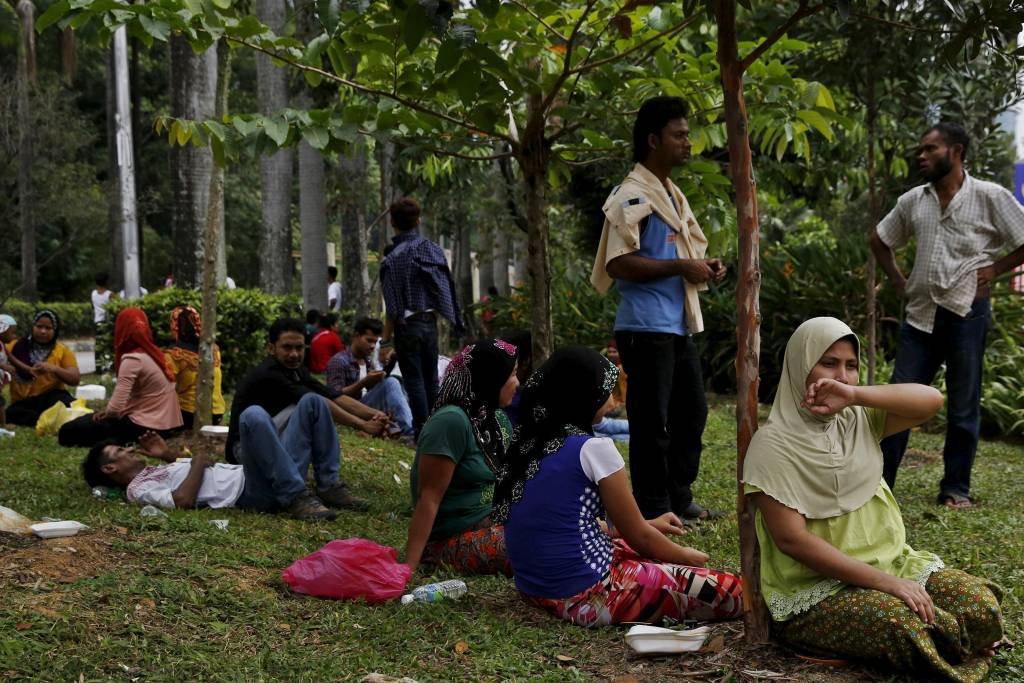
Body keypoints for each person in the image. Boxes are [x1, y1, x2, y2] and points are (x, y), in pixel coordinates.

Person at [743, 317, 1004, 681]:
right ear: (802, 364)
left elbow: (931, 401)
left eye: (851, 366)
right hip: (819, 594)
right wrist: (888, 585)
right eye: (829, 363)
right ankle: (963, 647)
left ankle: (962, 640)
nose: (841, 375)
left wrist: (854, 395)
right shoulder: (773, 445)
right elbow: (792, 541)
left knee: (979, 605)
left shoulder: (859, 419)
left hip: (894, 566)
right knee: (906, 625)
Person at [494, 347, 743, 627]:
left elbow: (560, 521)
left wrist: (647, 524)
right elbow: (641, 539)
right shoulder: (594, 449)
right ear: (581, 395)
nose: (612, 403)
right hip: (589, 595)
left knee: (630, 549)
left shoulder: (526, 442)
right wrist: (690, 558)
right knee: (734, 590)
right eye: (604, 393)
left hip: (535, 590)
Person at [870, 122, 1024, 509]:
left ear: (955, 152)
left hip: (967, 313)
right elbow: (880, 239)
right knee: (898, 402)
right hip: (919, 316)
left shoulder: (990, 196)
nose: (921, 156)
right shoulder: (913, 201)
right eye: (920, 149)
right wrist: (899, 281)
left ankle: (955, 489)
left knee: (963, 404)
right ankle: (878, 483)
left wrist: (994, 270)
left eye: (930, 149)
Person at [590, 96, 727, 522]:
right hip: (645, 327)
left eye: (688, 134)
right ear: (653, 140)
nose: (688, 142)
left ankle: (678, 497)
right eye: (679, 135)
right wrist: (681, 266)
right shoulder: (631, 195)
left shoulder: (671, 194)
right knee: (652, 423)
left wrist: (701, 267)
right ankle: (653, 507)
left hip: (677, 325)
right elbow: (617, 264)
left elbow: (679, 254)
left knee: (692, 413)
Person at [225, 318, 388, 510]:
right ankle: (294, 493)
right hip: (247, 451)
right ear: (271, 348)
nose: (294, 354)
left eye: (299, 348)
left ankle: (329, 485)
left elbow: (333, 395)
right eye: (287, 347)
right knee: (303, 403)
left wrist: (376, 415)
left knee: (314, 401)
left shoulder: (296, 371)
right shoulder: (269, 374)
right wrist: (362, 425)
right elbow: (324, 401)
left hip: (277, 442)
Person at [404, 339, 518, 575]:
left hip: (491, 519)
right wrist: (407, 569)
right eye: (512, 375)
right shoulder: (451, 421)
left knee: (560, 525)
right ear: (492, 378)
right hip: (450, 538)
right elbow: (429, 498)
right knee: (538, 543)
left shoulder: (496, 419)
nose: (518, 384)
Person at [83, 426, 339, 521]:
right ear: (110, 468)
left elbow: (179, 471)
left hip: (250, 475)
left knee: (311, 404)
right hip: (249, 490)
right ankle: (297, 491)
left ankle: (327, 486)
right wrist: (199, 462)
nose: (129, 449)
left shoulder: (151, 471)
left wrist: (165, 454)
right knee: (252, 417)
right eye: (120, 451)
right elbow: (181, 501)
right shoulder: (137, 489)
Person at [380, 196, 465, 437]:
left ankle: (423, 432)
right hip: (430, 322)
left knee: (414, 379)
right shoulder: (432, 249)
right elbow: (445, 287)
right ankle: (437, 430)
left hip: (407, 325)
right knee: (431, 378)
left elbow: (393, 307)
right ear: (418, 220)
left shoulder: (392, 259)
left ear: (392, 223)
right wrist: (453, 318)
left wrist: (385, 341)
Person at [58, 308, 182, 447]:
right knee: (92, 420)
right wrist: (109, 412)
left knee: (67, 431)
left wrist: (109, 412)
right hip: (167, 426)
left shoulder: (133, 359)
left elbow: (115, 409)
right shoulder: (154, 353)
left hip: (144, 427)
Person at [325, 317, 414, 438]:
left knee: (398, 382)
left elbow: (372, 390)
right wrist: (364, 382)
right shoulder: (339, 361)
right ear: (356, 335)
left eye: (375, 342)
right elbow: (334, 397)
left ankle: (402, 428)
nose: (372, 346)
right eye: (369, 340)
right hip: (351, 410)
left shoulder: (367, 362)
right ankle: (409, 431)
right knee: (391, 383)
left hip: (369, 408)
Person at [5, 310, 80, 426]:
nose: (43, 331)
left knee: (68, 404)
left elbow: (75, 379)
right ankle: (47, 419)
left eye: (48, 328)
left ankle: (50, 418)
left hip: (50, 397)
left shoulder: (62, 351)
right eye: (39, 326)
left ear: (55, 331)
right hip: (23, 403)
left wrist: (54, 369)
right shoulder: (14, 346)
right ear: (32, 327)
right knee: (11, 413)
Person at [162, 306, 225, 429]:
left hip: (188, 415)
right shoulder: (213, 349)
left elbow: (164, 387)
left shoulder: (174, 355)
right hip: (217, 413)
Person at [0, 314, 17, 427]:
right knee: (0, 403)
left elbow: (12, 358)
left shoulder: (2, 345)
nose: (14, 336)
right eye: (12, 333)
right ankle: (2, 425)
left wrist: (29, 369)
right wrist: (4, 366)